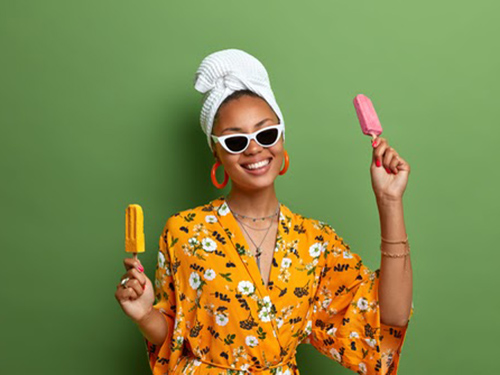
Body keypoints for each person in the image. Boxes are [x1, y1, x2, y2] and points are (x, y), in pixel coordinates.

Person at [115, 49, 414, 375]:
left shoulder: (314, 242)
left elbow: (389, 318)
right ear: (216, 152)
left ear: (282, 138)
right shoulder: (184, 233)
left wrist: (389, 202)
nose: (254, 148)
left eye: (266, 133)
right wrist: (145, 315)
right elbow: (172, 339)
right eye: (235, 141)